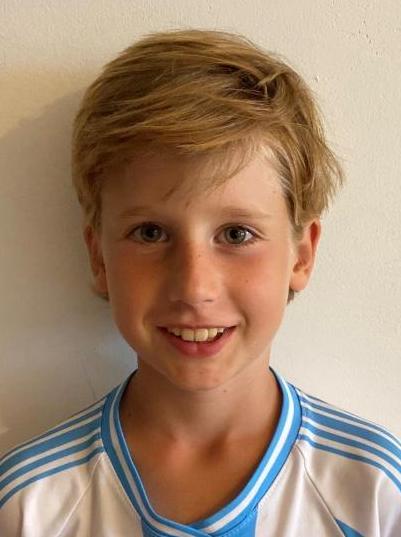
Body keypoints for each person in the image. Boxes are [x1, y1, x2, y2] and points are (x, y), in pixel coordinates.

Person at [0, 28, 400, 537]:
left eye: (236, 234)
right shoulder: (29, 507)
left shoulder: (375, 495)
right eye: (150, 233)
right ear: (98, 256)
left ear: (301, 254)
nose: (194, 287)